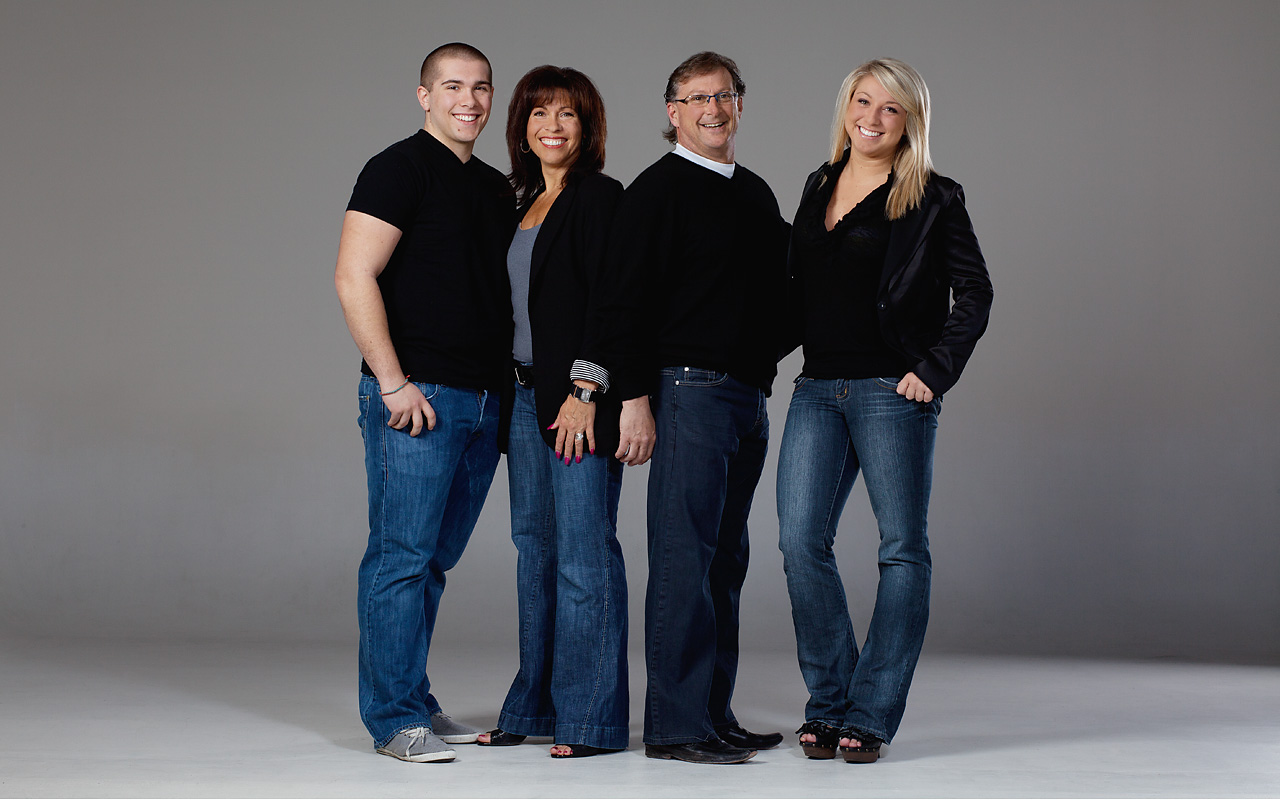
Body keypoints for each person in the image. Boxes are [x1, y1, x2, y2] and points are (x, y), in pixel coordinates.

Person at [778, 58, 993, 763]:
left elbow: (975, 291)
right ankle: (830, 702)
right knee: (800, 543)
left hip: (890, 394)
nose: (872, 118)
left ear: (910, 121)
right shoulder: (818, 183)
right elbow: (802, 291)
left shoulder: (933, 196)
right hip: (816, 389)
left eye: (890, 108)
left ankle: (869, 714)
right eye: (862, 102)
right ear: (846, 107)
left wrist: (934, 370)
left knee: (901, 549)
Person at [333, 43, 515, 763]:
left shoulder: (495, 188)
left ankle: (414, 695)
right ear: (424, 95)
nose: (469, 101)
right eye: (452, 86)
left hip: (483, 401)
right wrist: (391, 382)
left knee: (432, 560)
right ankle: (393, 719)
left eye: (481, 87)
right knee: (400, 558)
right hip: (418, 397)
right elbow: (353, 275)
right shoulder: (397, 169)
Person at [608, 51, 790, 765]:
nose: (713, 109)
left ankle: (713, 713)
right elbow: (623, 304)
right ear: (672, 112)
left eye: (724, 96)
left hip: (747, 397)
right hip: (687, 392)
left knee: (725, 560)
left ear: (740, 104)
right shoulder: (655, 192)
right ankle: (675, 726)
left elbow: (781, 297)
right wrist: (633, 400)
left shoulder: (756, 194)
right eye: (696, 98)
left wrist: (765, 361)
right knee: (684, 556)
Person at [474, 65, 655, 759]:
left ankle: (592, 721)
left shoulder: (599, 197)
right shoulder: (520, 202)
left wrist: (587, 392)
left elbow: (619, 300)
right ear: (521, 125)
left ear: (588, 126)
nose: (552, 126)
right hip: (523, 399)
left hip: (576, 401)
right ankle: (537, 706)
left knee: (585, 554)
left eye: (567, 113)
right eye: (539, 113)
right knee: (536, 554)